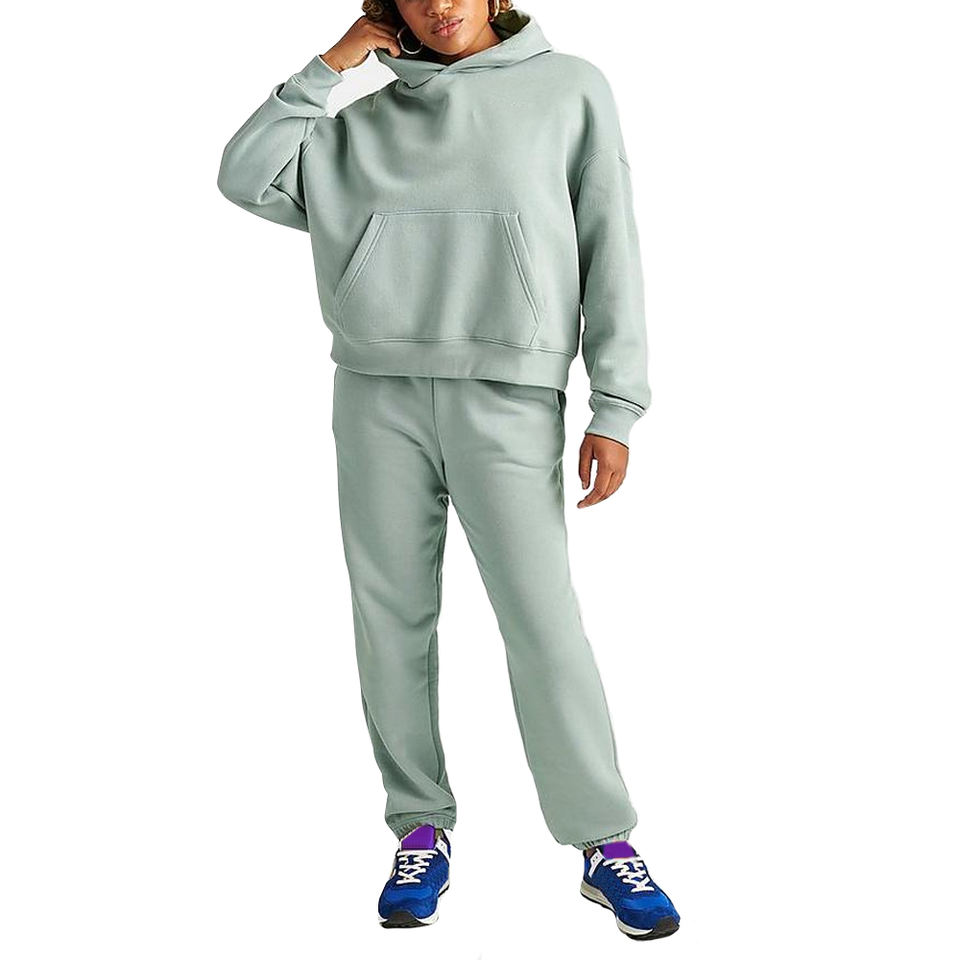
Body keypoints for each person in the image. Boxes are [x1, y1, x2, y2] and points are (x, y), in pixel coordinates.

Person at [217, 0, 680, 940]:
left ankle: (604, 842)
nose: (439, 6)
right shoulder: (357, 124)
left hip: (509, 394)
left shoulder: (569, 90)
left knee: (542, 623)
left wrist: (617, 404)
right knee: (390, 621)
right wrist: (330, 65)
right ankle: (419, 828)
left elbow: (611, 243)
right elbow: (241, 174)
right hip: (375, 392)